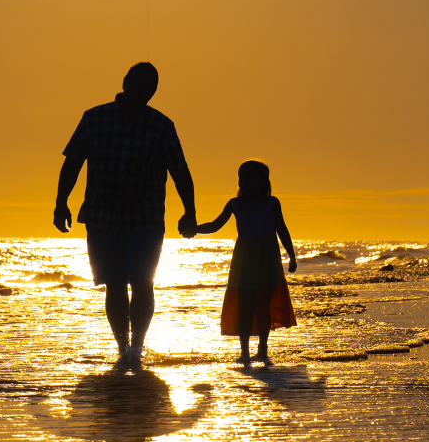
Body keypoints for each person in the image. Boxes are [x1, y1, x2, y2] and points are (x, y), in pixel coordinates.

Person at [54, 62, 197, 369]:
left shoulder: (161, 125)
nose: (143, 92)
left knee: (144, 282)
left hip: (145, 219)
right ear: (124, 82)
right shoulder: (94, 118)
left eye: (150, 88)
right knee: (114, 284)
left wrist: (190, 212)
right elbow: (72, 163)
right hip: (102, 217)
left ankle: (138, 347)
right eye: (138, 84)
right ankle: (124, 349)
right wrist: (60, 203)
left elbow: (180, 171)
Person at [193, 160, 297, 367]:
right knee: (245, 306)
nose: (244, 181)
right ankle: (244, 353)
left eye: (250, 177)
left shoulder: (272, 203)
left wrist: (292, 256)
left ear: (262, 181)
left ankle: (263, 352)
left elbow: (282, 230)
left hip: (268, 259)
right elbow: (215, 225)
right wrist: (193, 229)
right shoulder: (235, 204)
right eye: (241, 177)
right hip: (244, 260)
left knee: (264, 305)